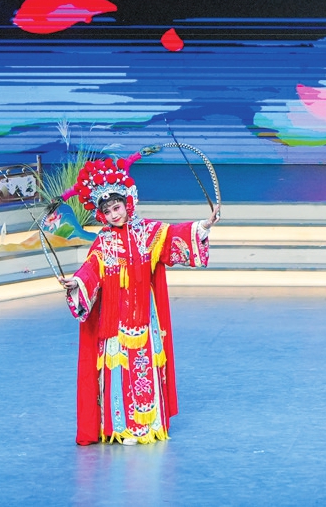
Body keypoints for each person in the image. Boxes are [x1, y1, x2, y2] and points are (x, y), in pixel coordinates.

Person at [59, 153, 218, 446]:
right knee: (118, 370)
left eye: (117, 207)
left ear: (127, 204)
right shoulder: (103, 242)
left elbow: (175, 236)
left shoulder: (148, 232)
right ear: (102, 215)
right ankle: (120, 427)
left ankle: (147, 425)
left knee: (145, 365)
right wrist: (76, 283)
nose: (114, 214)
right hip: (114, 320)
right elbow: (90, 270)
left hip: (145, 316)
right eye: (108, 211)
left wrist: (203, 226)